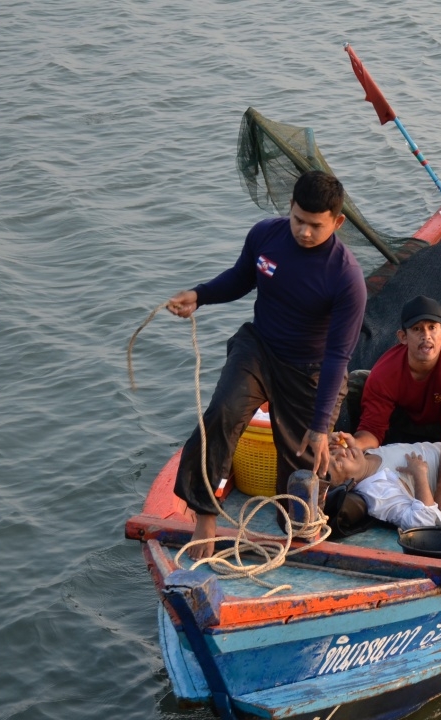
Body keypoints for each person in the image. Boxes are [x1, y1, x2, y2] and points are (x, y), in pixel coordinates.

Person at [165, 171, 367, 558]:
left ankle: (302, 527)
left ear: (337, 222)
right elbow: (241, 278)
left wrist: (322, 426)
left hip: (309, 369)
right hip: (259, 347)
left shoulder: (346, 278)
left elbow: (338, 357)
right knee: (222, 412)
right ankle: (205, 514)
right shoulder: (265, 235)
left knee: (297, 492)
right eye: (298, 220)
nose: (304, 232)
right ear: (288, 208)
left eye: (315, 225)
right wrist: (199, 295)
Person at [332, 296, 441, 529]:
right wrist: (354, 445)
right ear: (402, 337)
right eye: (417, 329)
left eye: (432, 328)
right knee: (358, 379)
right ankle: (376, 462)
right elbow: (372, 428)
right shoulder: (386, 370)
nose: (426, 336)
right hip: (402, 426)